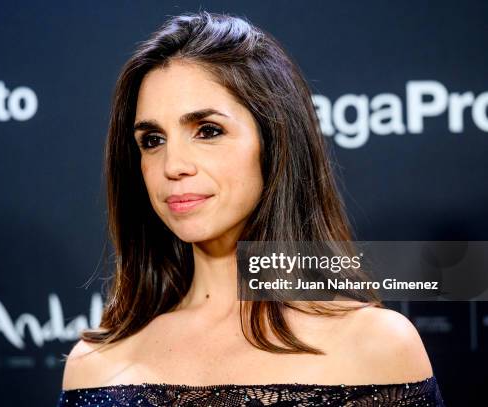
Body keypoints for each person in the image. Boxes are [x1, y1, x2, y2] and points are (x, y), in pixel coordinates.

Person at [58, 11, 445, 406]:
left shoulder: (376, 347)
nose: (172, 166)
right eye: (153, 140)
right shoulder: (96, 366)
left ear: (274, 143)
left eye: (208, 131)